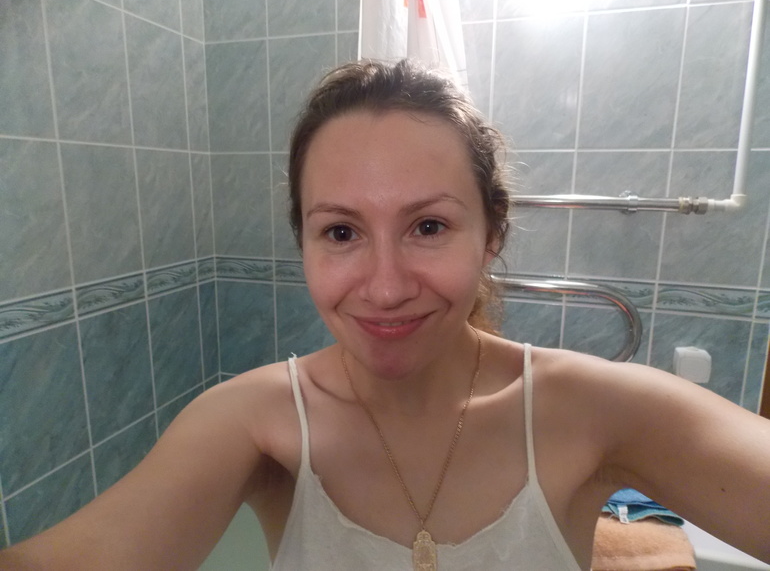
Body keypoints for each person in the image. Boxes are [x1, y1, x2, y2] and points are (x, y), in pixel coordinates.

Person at [2, 59, 769, 571]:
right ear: (303, 241)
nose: (386, 286)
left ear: (492, 233)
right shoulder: (255, 425)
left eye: (428, 226)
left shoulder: (598, 411)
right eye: (341, 232)